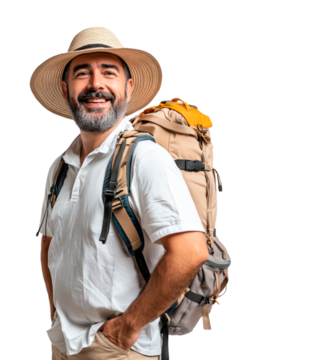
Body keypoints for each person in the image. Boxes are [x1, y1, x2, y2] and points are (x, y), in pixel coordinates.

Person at [31, 26, 209, 360]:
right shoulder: (59, 165)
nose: (96, 84)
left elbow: (189, 251)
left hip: (117, 349)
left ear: (127, 87)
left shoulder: (145, 158)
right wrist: (54, 313)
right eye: (83, 74)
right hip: (63, 343)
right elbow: (47, 243)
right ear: (65, 88)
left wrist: (129, 326)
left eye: (108, 72)